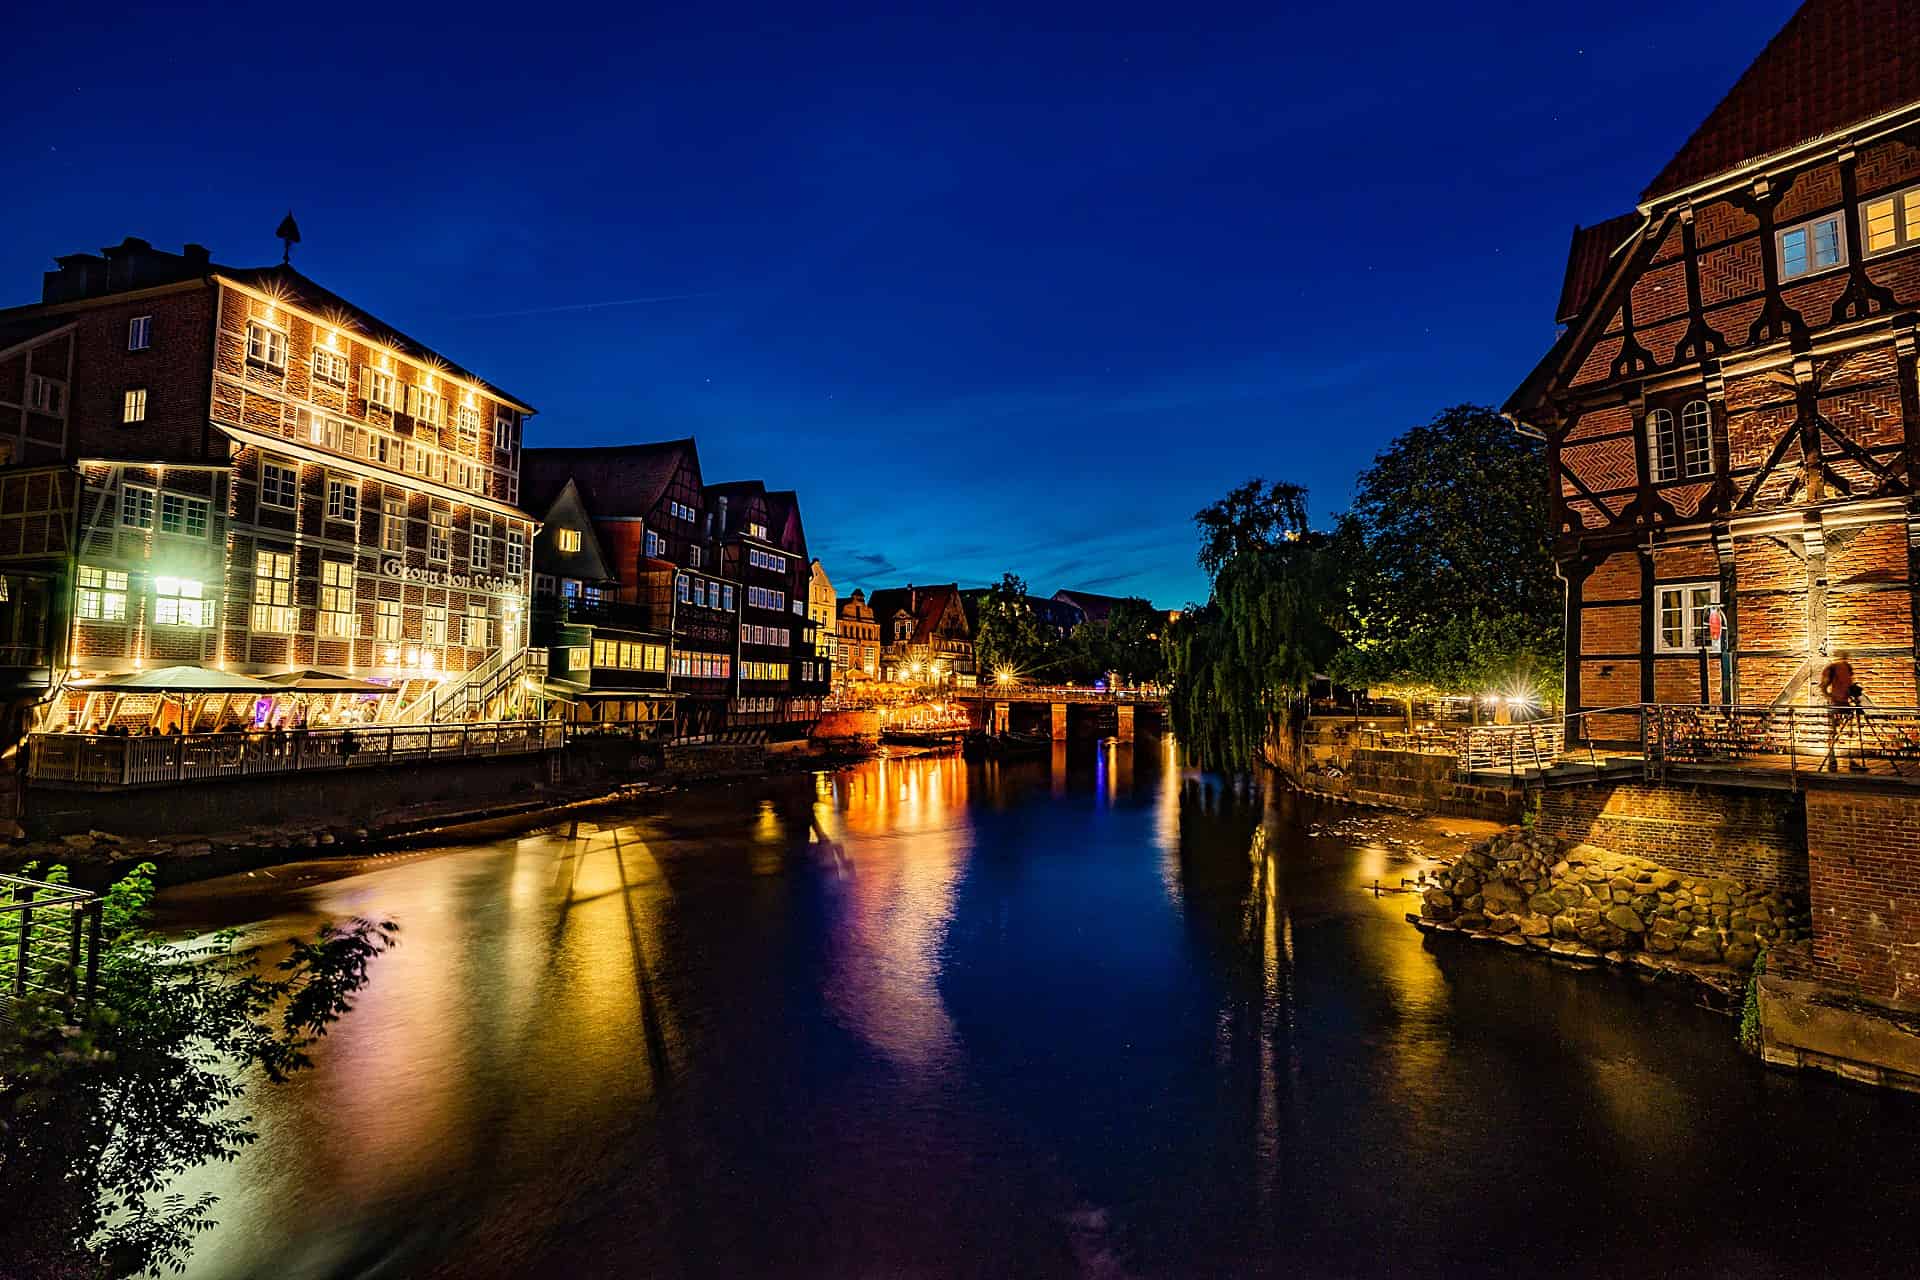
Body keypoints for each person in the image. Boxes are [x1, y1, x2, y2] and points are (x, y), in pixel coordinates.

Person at [1819, 648, 1866, 772]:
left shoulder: (1846, 668)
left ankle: (1846, 761)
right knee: (1834, 732)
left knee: (1847, 733)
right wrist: (1831, 697)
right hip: (1836, 704)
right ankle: (1833, 760)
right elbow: (1823, 686)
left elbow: (1846, 686)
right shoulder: (1833, 668)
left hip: (1845, 704)